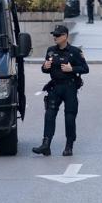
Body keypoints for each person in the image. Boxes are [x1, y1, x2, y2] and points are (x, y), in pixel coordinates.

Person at [33, 25, 90, 156]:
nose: (55, 37)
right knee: (49, 115)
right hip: (55, 87)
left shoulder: (75, 52)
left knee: (69, 117)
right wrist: (45, 66)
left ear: (65, 36)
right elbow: (45, 69)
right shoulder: (51, 50)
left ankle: (69, 146)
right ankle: (46, 144)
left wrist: (72, 69)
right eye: (54, 35)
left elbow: (85, 68)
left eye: (58, 35)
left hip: (69, 88)